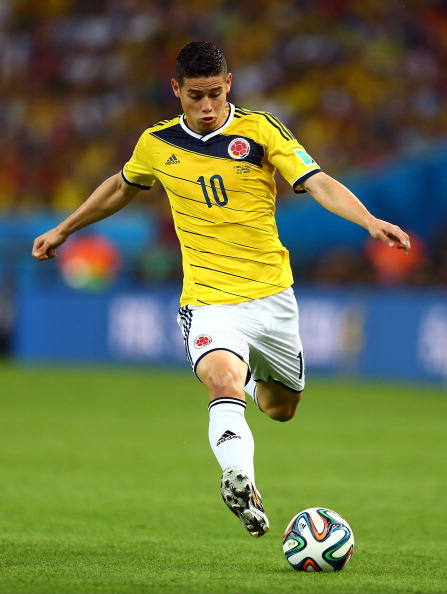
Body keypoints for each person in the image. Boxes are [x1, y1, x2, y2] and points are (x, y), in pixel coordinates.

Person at [32, 41, 411, 539]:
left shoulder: (260, 131)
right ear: (177, 91)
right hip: (208, 300)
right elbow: (122, 185)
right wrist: (65, 228)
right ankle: (242, 483)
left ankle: (255, 385)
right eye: (195, 96)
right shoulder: (157, 143)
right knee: (221, 382)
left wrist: (367, 220)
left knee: (281, 408)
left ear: (228, 84)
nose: (206, 107)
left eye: (214, 93)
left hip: (272, 298)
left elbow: (317, 181)